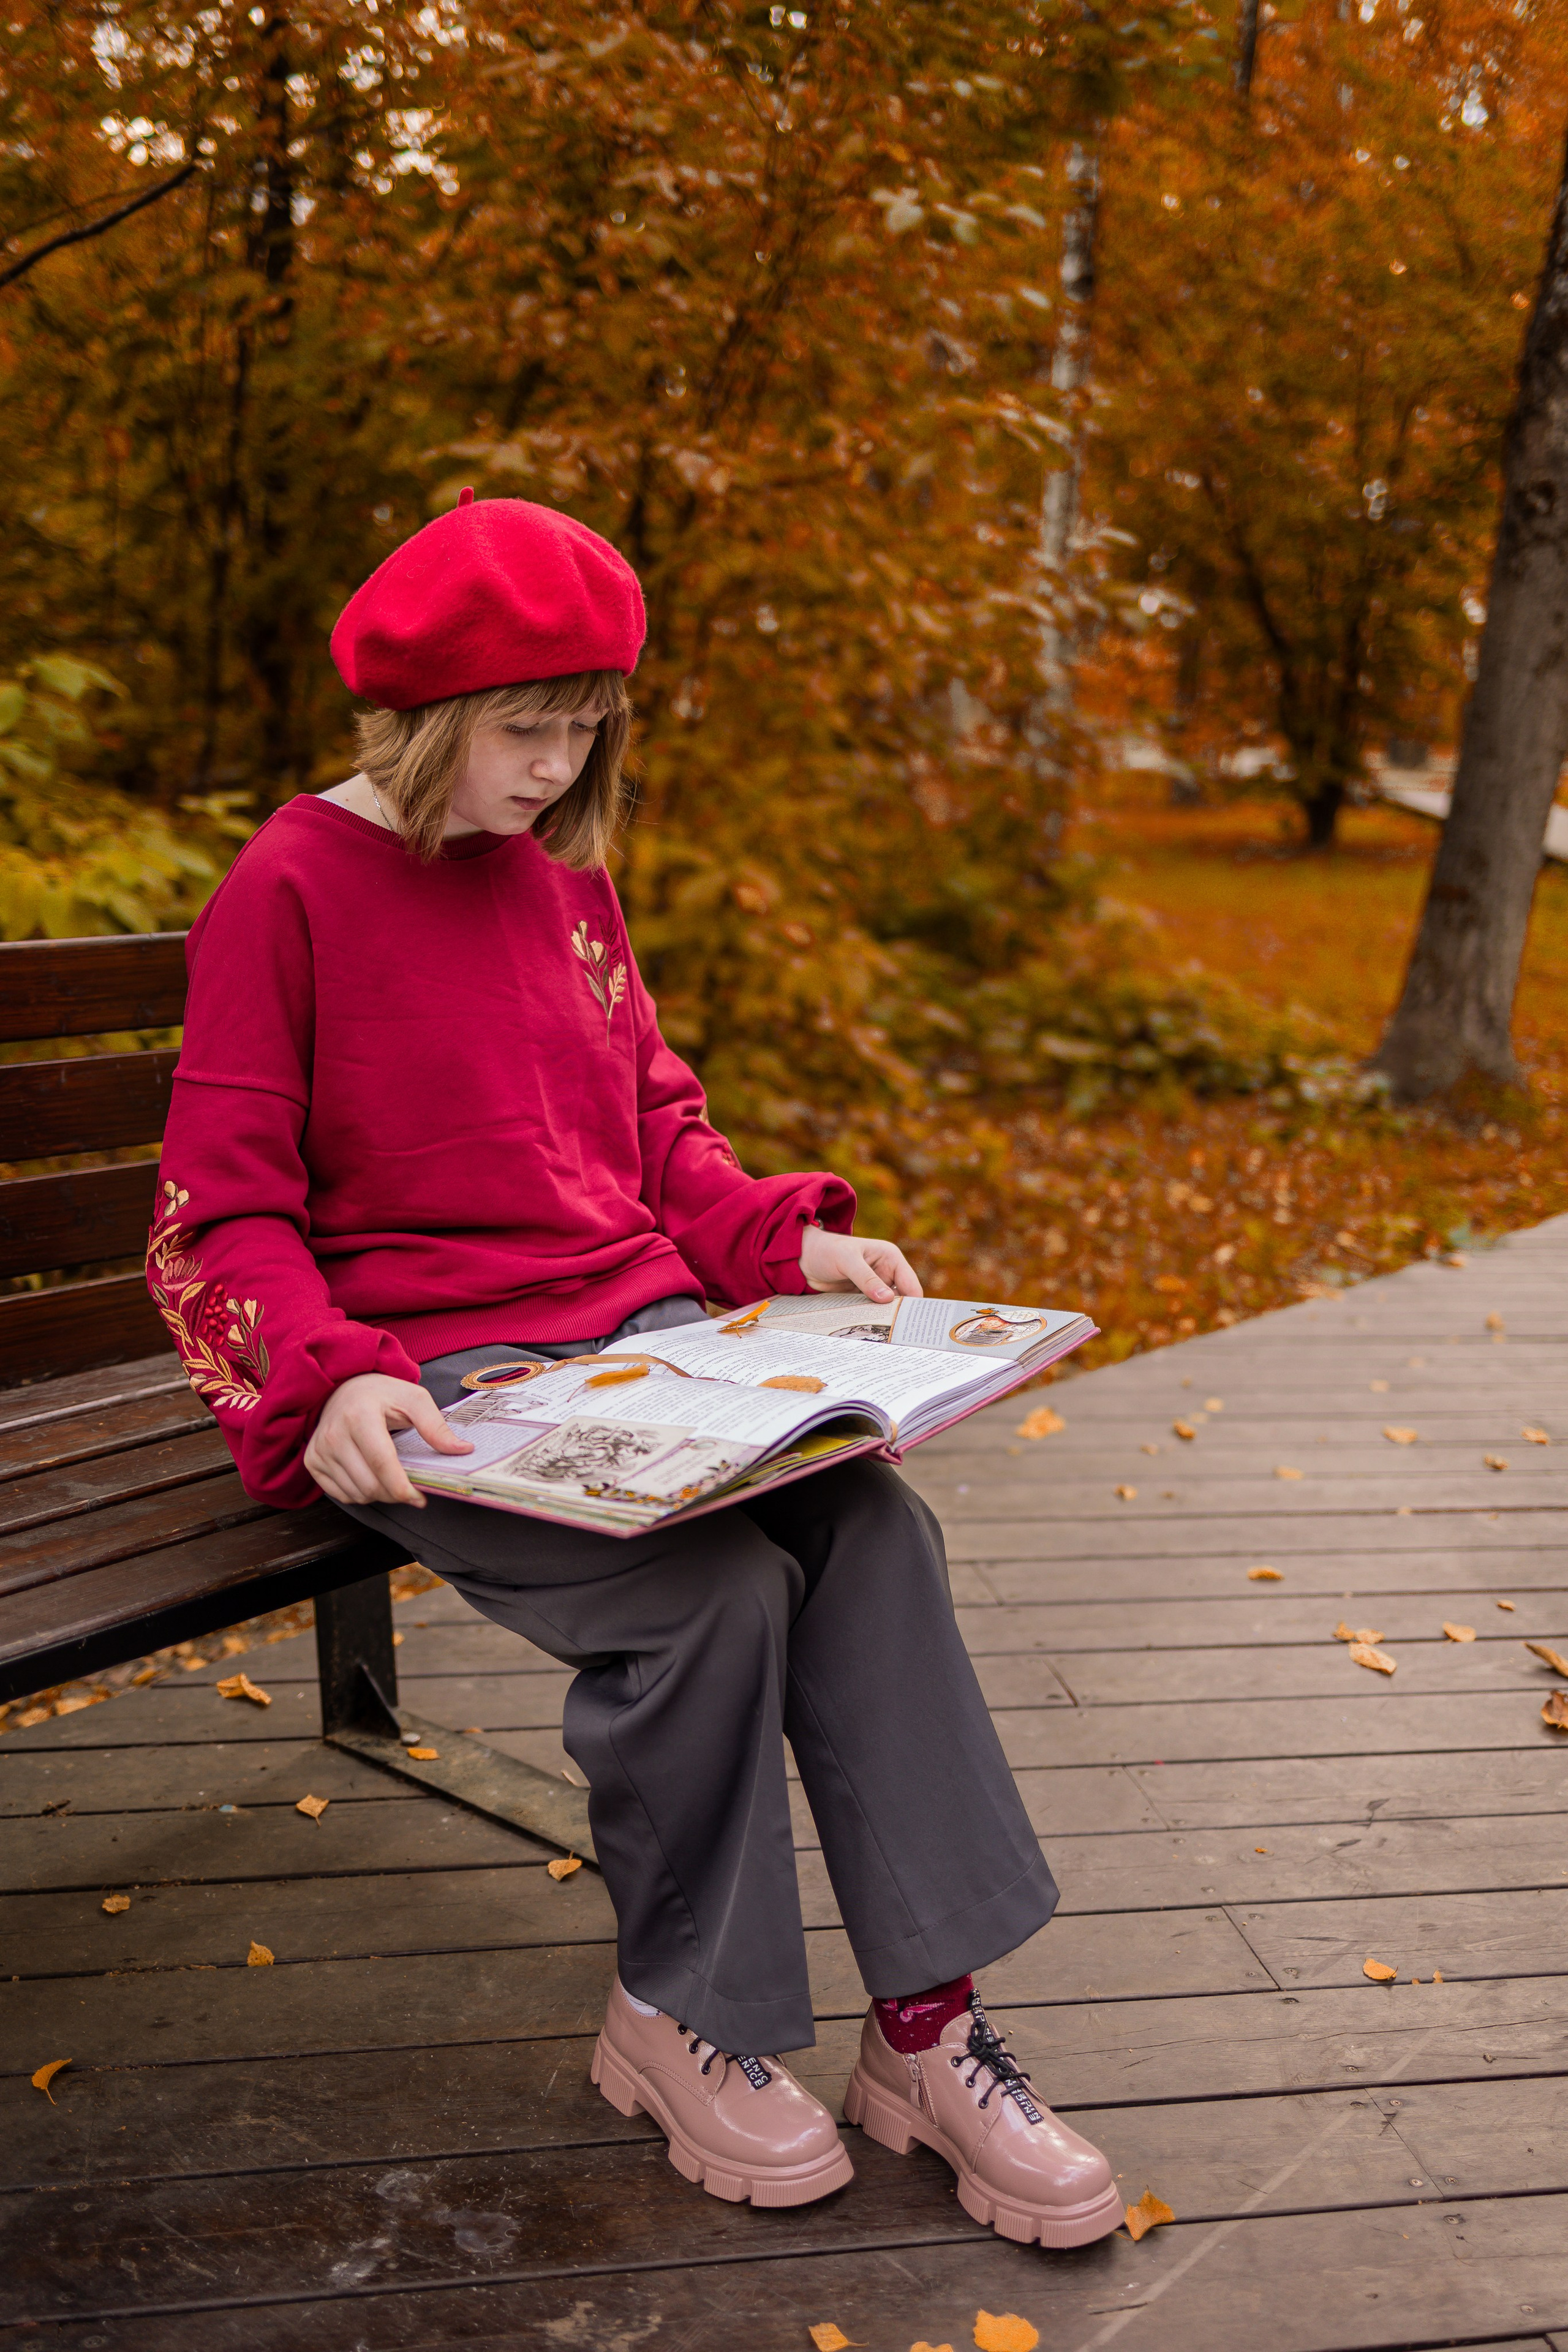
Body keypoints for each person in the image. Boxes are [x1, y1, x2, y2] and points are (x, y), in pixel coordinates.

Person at [148, 491, 1121, 2246]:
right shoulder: (286, 889)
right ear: (427, 712)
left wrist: (783, 1242)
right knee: (709, 1602)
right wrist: (332, 1376)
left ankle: (927, 2035)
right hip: (443, 1390)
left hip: (653, 1349)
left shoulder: (567, 883)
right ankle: (689, 2015)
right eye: (529, 729)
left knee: (872, 1538)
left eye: (587, 727)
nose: (555, 766)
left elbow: (655, 1132)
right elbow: (220, 1218)